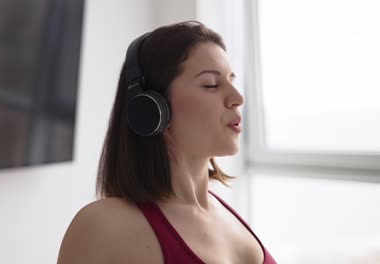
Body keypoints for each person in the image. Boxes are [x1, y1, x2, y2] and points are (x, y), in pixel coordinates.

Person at [57, 21, 276, 264]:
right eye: (211, 85)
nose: (237, 98)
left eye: (231, 80)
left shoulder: (228, 213)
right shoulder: (103, 227)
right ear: (151, 108)